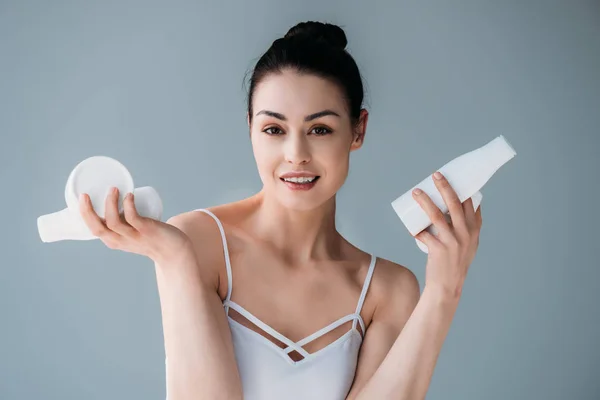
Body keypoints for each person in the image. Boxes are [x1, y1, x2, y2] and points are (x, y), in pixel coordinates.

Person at [78, 20, 483, 400]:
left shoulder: (386, 292)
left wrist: (445, 291)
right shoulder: (198, 244)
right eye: (274, 129)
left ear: (358, 130)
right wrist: (174, 257)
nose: (296, 155)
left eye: (320, 129)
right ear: (250, 126)